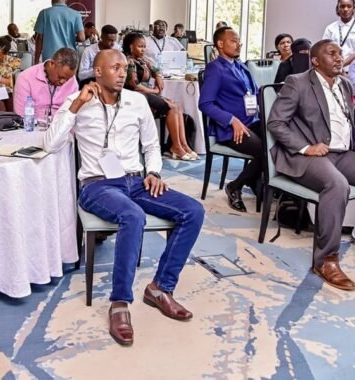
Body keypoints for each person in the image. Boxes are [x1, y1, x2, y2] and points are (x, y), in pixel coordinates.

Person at [44, 49, 204, 346]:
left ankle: (160, 288)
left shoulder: (137, 101)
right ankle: (119, 303)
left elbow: (151, 145)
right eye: (115, 67)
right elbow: (50, 143)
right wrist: (77, 105)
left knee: (193, 211)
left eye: (124, 67)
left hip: (136, 181)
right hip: (98, 186)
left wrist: (153, 172)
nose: (122, 73)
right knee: (133, 216)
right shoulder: (78, 100)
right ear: (97, 72)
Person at [268, 40, 355, 290]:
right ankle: (326, 261)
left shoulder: (345, 84)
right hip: (308, 155)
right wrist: (307, 147)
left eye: (340, 53)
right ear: (315, 61)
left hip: (341, 153)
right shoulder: (298, 82)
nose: (338, 58)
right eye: (332, 53)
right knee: (337, 185)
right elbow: (276, 123)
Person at [199, 27, 262, 212]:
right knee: (265, 151)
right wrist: (231, 120)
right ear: (220, 44)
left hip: (252, 121)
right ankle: (235, 186)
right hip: (231, 129)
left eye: (239, 41)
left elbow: (256, 93)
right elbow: (205, 104)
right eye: (233, 41)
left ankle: (257, 181)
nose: (239, 44)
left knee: (279, 141)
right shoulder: (215, 69)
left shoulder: (241, 66)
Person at [123, 32, 197, 161]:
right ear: (131, 47)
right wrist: (154, 91)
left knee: (177, 105)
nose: (143, 49)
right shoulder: (129, 61)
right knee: (171, 107)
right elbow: (134, 85)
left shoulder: (141, 60)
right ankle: (176, 147)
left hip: (146, 95)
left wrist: (157, 76)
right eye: (140, 46)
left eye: (144, 46)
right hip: (136, 97)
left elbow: (156, 69)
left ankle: (184, 144)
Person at [13, 48, 79, 117]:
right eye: (60, 77)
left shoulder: (72, 80)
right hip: (33, 123)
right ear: (52, 64)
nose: (63, 82)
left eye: (67, 79)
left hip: (62, 123)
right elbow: (21, 116)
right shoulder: (26, 78)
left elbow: (72, 114)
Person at [34, 0, 85, 64]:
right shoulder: (76, 14)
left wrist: (36, 60)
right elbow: (82, 38)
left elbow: (39, 38)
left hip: (50, 58)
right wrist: (70, 37)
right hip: (69, 57)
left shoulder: (44, 13)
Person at [323, 0, 355, 72]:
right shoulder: (330, 28)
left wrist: (342, 64)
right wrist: (338, 67)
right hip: (335, 71)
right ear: (338, 8)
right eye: (342, 6)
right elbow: (325, 49)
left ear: (353, 8)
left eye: (349, 6)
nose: (345, 9)